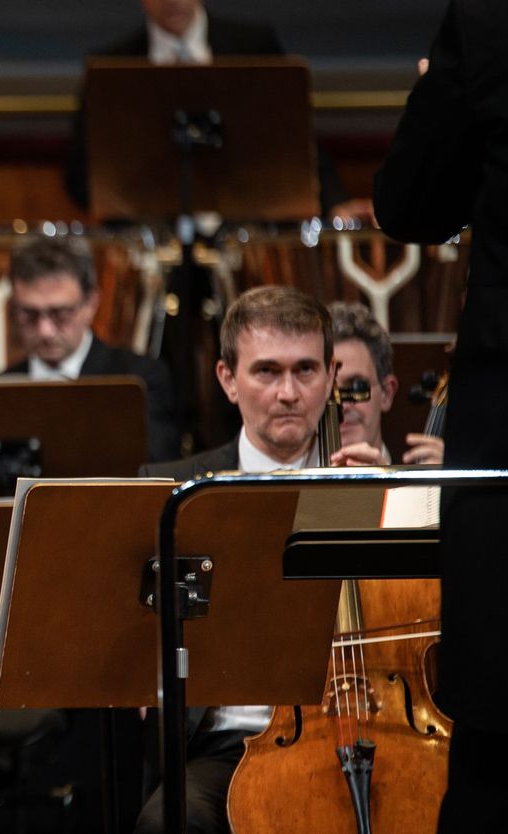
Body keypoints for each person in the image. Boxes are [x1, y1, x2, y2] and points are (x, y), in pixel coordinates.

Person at [371, 1, 508, 828]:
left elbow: (412, 203)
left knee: (496, 743)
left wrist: (436, 97)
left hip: (506, 438)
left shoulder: (488, 22)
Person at [139, 285, 334, 834]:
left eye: (306, 370)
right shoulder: (169, 489)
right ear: (227, 379)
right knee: (166, 823)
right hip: (227, 744)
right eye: (266, 372)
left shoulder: (370, 480)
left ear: (332, 373)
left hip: (356, 723)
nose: (289, 393)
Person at [64, 0, 365, 221]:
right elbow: (81, 174)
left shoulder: (252, 46)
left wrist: (335, 201)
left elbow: (294, 142)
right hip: (152, 242)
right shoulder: (110, 65)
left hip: (246, 232)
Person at [0, 236, 182, 461]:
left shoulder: (138, 380)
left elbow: (157, 470)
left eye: (60, 314)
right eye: (29, 314)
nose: (45, 330)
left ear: (91, 303)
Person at [324, 301, 445, 467]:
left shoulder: (417, 488)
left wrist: (449, 488)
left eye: (357, 386)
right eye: (327, 389)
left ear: (387, 393)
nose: (341, 405)